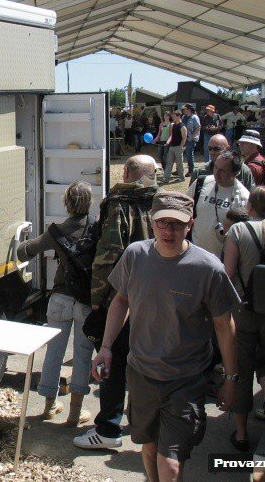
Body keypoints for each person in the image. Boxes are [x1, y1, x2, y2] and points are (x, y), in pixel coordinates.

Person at [91, 191, 239, 481]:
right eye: (162, 222)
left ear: (190, 224)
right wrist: (106, 347)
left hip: (186, 379)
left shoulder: (209, 269)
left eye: (177, 224)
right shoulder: (135, 255)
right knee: (149, 448)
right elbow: (121, 300)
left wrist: (232, 379)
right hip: (141, 374)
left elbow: (225, 325)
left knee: (170, 462)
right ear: (151, 221)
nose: (169, 230)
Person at [73, 155, 158, 451]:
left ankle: (108, 428)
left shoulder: (119, 204)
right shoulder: (162, 204)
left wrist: (98, 299)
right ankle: (141, 421)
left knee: (111, 361)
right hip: (154, 300)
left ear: (126, 173)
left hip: (120, 298)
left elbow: (108, 254)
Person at [16, 181, 95, 426]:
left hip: (60, 298)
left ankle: (50, 407)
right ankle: (75, 413)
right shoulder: (97, 229)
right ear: (90, 202)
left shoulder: (56, 232)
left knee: (54, 353)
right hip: (86, 302)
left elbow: (25, 250)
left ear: (66, 203)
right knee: (82, 355)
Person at [223, 187, 265, 450]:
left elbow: (227, 273)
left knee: (241, 368)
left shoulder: (238, 231)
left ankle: (241, 433)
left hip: (244, 309)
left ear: (250, 206)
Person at [187, 150, 250, 257]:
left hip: (222, 259)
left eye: (222, 171)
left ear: (235, 173)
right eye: (215, 167)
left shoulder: (243, 197)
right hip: (194, 254)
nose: (216, 173)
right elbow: (185, 209)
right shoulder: (201, 183)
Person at [189, 134, 255, 191]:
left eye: (216, 149)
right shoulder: (199, 173)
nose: (212, 152)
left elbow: (250, 197)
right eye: (210, 148)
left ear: (228, 149)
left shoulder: (243, 171)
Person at [162, 111, 186, 184]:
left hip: (178, 147)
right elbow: (171, 136)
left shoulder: (182, 126)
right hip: (172, 147)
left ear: (179, 116)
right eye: (172, 117)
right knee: (169, 163)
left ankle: (181, 177)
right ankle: (166, 178)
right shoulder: (174, 125)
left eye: (174, 116)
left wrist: (181, 146)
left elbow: (184, 138)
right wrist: (168, 142)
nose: (173, 118)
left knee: (179, 163)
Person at [182, 104, 201, 175]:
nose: (183, 110)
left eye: (185, 109)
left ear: (189, 110)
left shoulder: (194, 117)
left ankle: (191, 170)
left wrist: (191, 137)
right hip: (184, 138)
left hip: (191, 139)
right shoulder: (183, 117)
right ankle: (179, 170)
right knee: (181, 153)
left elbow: (198, 128)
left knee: (189, 154)